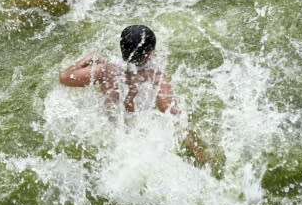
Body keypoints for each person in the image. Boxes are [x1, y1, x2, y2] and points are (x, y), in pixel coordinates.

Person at [60, 25, 210, 164]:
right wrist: (197, 149)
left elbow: (66, 77)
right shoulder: (156, 76)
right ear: (147, 55)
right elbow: (170, 112)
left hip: (109, 128)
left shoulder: (106, 70)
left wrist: (88, 58)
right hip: (139, 132)